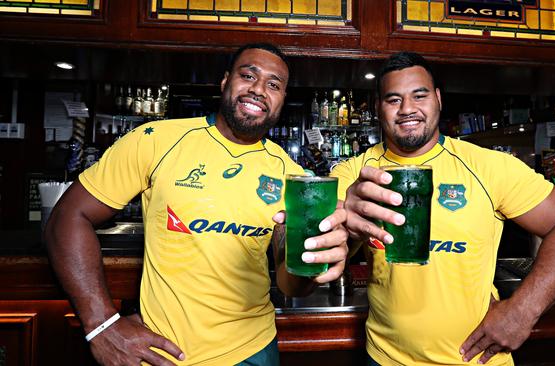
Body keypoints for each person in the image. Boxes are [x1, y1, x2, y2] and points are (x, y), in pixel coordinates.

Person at [44, 43, 348, 366]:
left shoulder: (292, 176)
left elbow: (290, 283)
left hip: (251, 353)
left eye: (274, 85)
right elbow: (67, 215)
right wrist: (100, 325)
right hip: (163, 354)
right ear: (225, 81)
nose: (259, 90)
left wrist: (313, 264)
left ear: (282, 100)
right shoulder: (155, 140)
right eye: (248, 75)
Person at [331, 52, 555, 365]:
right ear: (379, 108)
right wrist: (345, 222)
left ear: (438, 99)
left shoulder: (487, 166)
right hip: (386, 358)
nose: (407, 109)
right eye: (393, 99)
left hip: (477, 360)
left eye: (420, 95)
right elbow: (317, 245)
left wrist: (522, 311)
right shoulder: (353, 174)